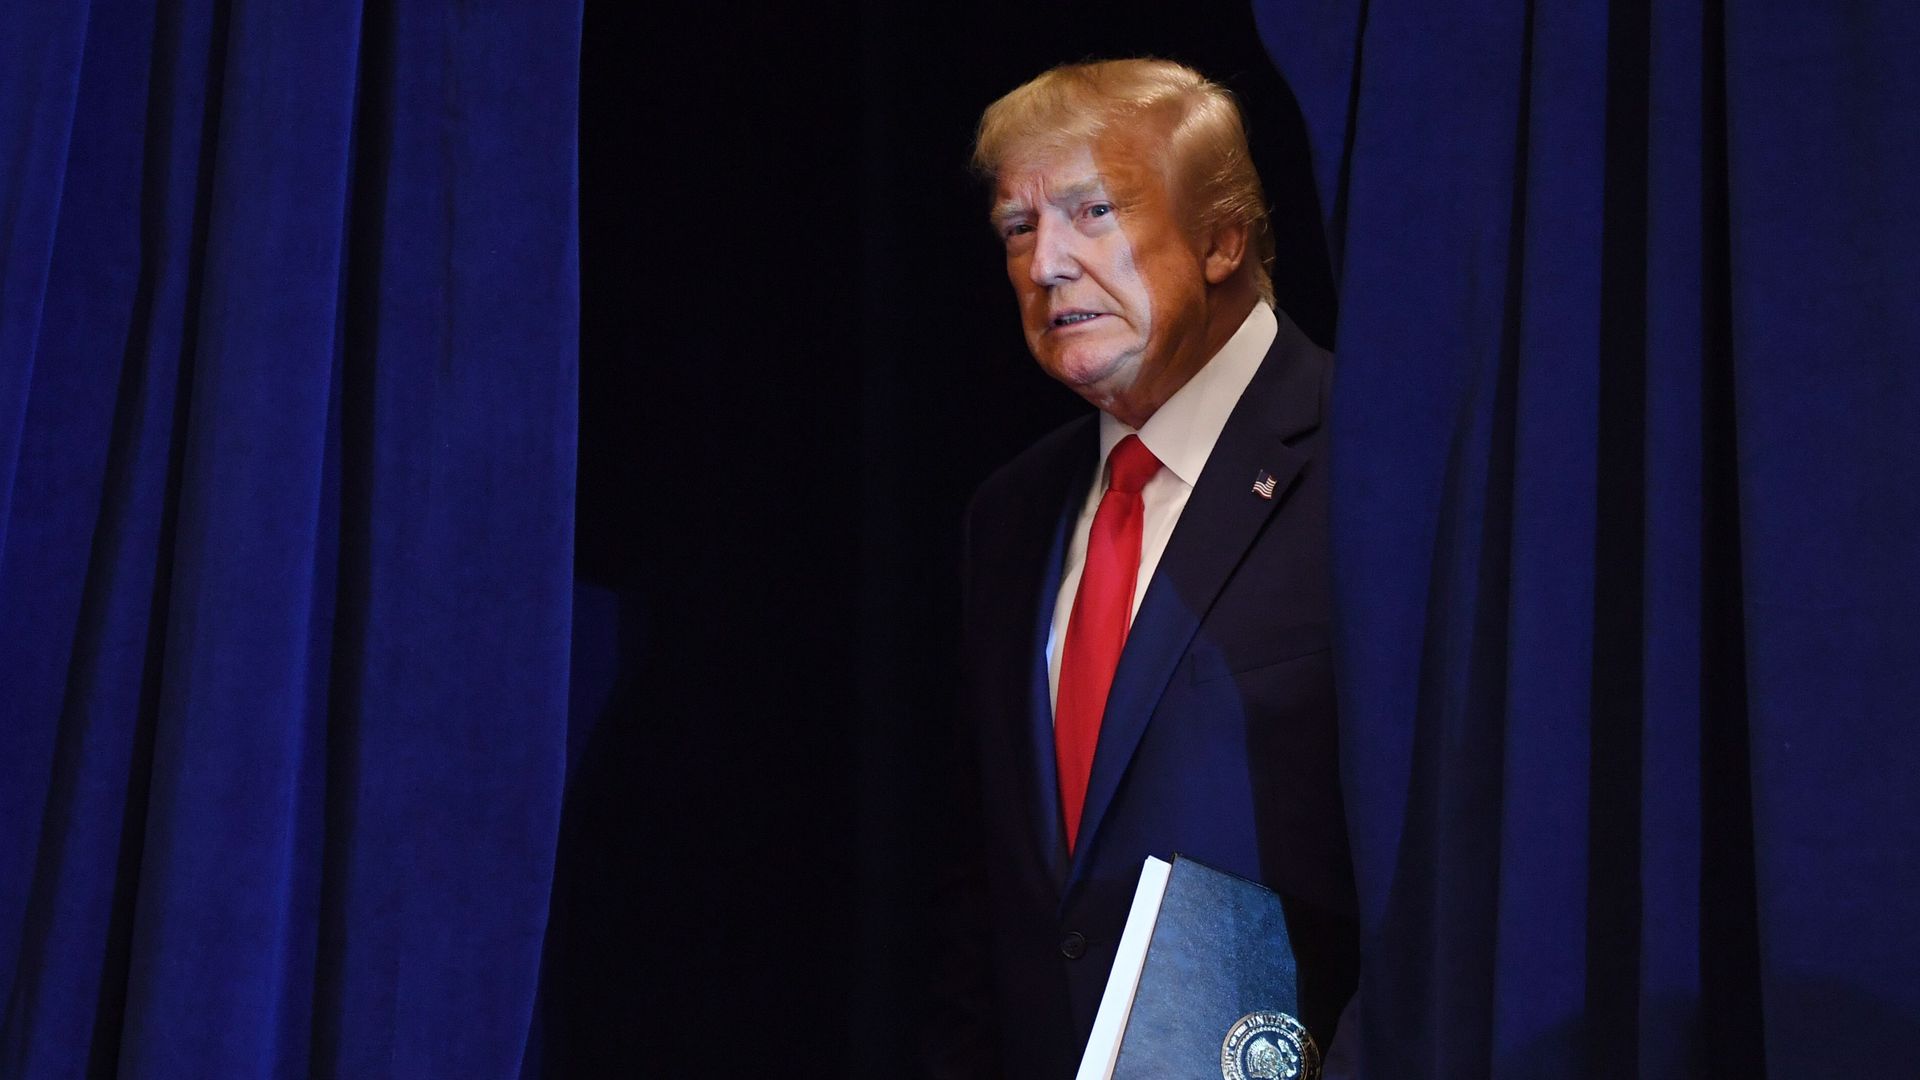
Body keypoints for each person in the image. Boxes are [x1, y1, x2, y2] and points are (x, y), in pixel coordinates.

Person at [930, 59, 1358, 1078]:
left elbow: (1447, 862)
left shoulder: (1372, 465)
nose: (1045, 266)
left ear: (1222, 237)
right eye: (1018, 228)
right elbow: (988, 887)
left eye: (1092, 211)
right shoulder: (1012, 515)